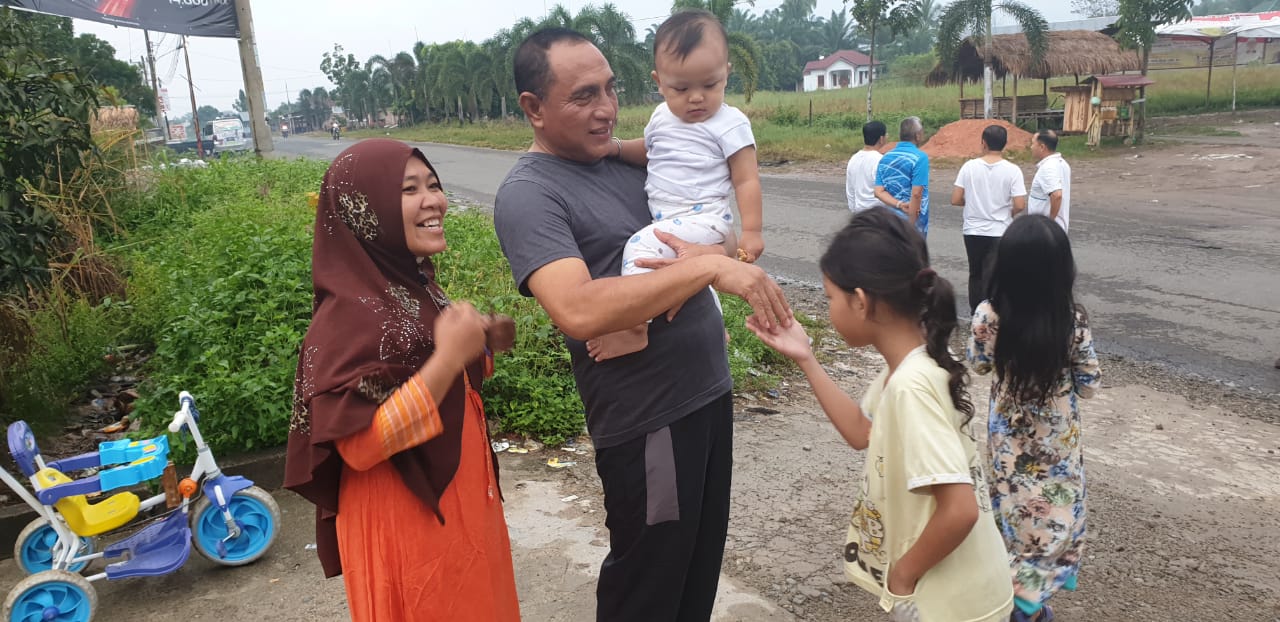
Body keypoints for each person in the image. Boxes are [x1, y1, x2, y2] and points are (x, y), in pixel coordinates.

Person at [493, 27, 791, 622]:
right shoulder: (530, 194)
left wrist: (715, 255)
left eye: (610, 89)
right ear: (534, 107)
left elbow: (718, 233)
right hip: (650, 417)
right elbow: (577, 308)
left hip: (707, 391)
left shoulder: (628, 164)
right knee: (648, 585)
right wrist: (708, 267)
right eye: (584, 96)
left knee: (697, 571)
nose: (606, 108)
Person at [284, 139, 520, 622]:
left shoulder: (412, 290)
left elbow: (425, 382)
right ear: (364, 212)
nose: (434, 201)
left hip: (461, 505)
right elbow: (361, 444)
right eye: (409, 189)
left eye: (433, 185)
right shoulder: (348, 320)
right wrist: (447, 358)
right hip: (406, 524)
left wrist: (479, 345)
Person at [747, 207, 1014, 622]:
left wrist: (902, 578)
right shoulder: (908, 364)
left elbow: (960, 509)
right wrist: (806, 357)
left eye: (830, 298)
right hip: (962, 593)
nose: (829, 308)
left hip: (951, 605)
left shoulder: (910, 385)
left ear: (860, 301)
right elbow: (861, 431)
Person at [589, 9, 765, 361]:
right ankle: (714, 326)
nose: (696, 97)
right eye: (681, 88)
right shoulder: (661, 117)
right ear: (659, 81)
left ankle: (633, 327)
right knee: (689, 274)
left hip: (706, 220)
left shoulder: (730, 124)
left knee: (641, 247)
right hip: (672, 219)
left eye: (710, 85)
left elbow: (746, 180)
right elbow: (650, 150)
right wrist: (616, 148)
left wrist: (752, 232)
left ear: (726, 73)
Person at [967, 214, 1100, 622]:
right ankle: (1029, 605)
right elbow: (1089, 383)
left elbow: (978, 365)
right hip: (1058, 445)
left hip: (1008, 443)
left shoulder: (988, 315)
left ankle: (1014, 600)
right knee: (1054, 516)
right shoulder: (1072, 320)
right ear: (1062, 269)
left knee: (1013, 513)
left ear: (1004, 266)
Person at [950, 124, 1027, 315]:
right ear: (1005, 143)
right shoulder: (1013, 170)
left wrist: (972, 202)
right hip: (999, 230)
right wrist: (1008, 213)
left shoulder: (969, 167)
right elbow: (1020, 204)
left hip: (973, 230)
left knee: (975, 273)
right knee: (995, 275)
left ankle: (976, 314)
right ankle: (994, 313)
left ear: (983, 142)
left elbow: (956, 199)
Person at [874, 117, 931, 237]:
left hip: (891, 220)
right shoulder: (920, 158)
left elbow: (878, 192)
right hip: (913, 223)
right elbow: (916, 193)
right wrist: (911, 225)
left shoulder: (885, 157)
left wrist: (899, 204)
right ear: (917, 136)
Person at [1027, 130, 1072, 233]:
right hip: (1056, 229)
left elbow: (1057, 195)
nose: (1031, 147)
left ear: (1042, 147)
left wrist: (1050, 221)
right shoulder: (1062, 163)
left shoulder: (1048, 167)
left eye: (1033, 144)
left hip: (1045, 231)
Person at [847, 120, 888, 213]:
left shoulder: (853, 159)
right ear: (881, 139)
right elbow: (886, 190)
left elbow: (850, 191)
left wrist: (854, 211)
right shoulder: (880, 160)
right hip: (878, 213)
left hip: (860, 213)